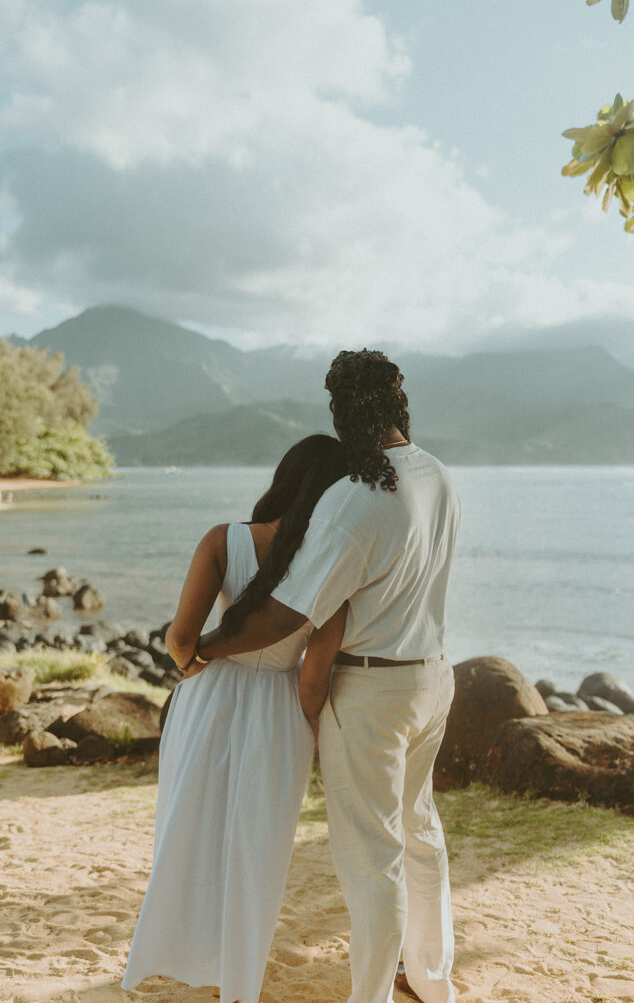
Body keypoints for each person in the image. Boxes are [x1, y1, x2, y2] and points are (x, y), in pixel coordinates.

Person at [194, 349, 461, 1003]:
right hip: (431, 676)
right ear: (399, 404)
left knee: (373, 861)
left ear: (342, 412)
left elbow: (286, 615)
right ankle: (430, 979)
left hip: (371, 691)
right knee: (418, 834)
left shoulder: (355, 496)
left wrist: (203, 646)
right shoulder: (438, 476)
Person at [121, 434, 350, 1003]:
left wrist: (193, 660)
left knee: (187, 827)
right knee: (259, 846)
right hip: (279, 708)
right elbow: (314, 678)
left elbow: (178, 638)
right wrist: (312, 731)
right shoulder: (333, 562)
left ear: (283, 479)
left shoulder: (224, 540)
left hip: (209, 694)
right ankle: (238, 972)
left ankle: (172, 949)